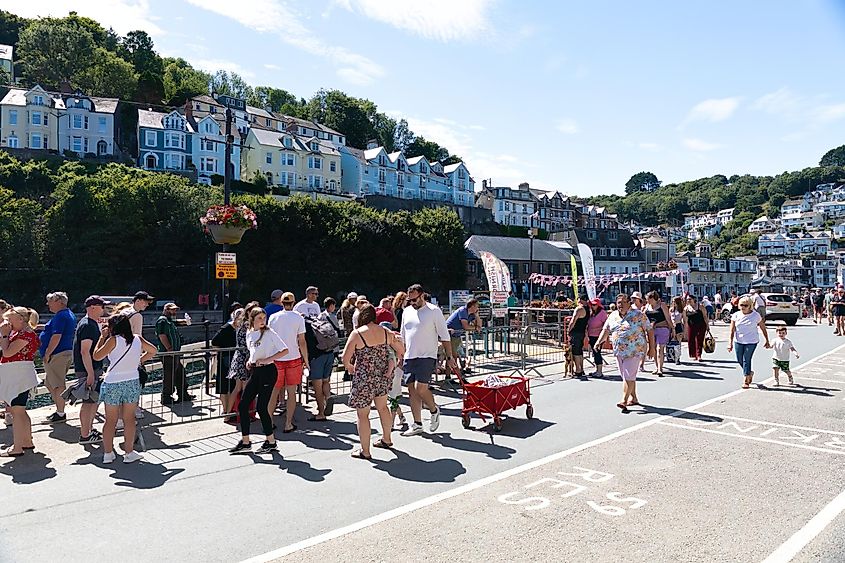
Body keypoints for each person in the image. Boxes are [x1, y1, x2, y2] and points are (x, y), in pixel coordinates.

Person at [341, 305, 405, 460]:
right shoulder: (385, 332)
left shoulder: (357, 334)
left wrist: (351, 368)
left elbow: (345, 358)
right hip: (382, 376)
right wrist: (393, 359)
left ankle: (365, 451)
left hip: (364, 379)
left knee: (363, 415)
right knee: (383, 408)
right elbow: (401, 350)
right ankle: (387, 439)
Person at [92, 313, 157, 463]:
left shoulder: (113, 340)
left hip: (113, 382)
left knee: (110, 420)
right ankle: (129, 452)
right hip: (132, 381)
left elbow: (96, 356)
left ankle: (108, 453)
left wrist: (102, 338)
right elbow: (153, 350)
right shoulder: (137, 339)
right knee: (129, 419)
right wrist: (139, 361)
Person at [229, 307, 289, 455]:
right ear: (252, 319)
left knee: (262, 407)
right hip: (255, 372)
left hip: (268, 371)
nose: (263, 321)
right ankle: (245, 441)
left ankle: (271, 441)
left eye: (264, 318)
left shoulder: (269, 333)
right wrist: (250, 361)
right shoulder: (250, 333)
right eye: (259, 318)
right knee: (243, 405)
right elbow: (253, 352)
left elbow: (284, 350)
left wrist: (267, 359)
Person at [400, 284, 454, 437]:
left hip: (427, 355)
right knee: (411, 391)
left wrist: (449, 357)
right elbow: (403, 335)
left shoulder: (434, 311)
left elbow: (444, 335)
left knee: (420, 388)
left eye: (414, 299)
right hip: (410, 355)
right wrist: (400, 354)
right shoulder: (406, 311)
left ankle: (434, 409)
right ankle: (417, 424)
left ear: (422, 295)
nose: (412, 303)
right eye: (409, 300)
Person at [596, 294, 654, 413]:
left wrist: (651, 348)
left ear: (629, 303)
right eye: (618, 303)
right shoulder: (613, 315)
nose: (620, 305)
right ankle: (634, 398)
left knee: (628, 375)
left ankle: (624, 399)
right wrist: (598, 342)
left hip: (634, 350)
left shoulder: (638, 315)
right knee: (626, 376)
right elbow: (606, 330)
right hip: (619, 351)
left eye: (623, 302)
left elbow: (649, 330)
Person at [0, 306, 40, 457]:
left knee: (17, 411)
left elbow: (8, 352)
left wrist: (4, 335)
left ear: (20, 319)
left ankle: (17, 447)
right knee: (21, 411)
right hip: (18, 374)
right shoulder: (21, 333)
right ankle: (27, 441)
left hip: (18, 375)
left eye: (10, 320)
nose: (7, 323)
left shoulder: (25, 335)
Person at [267, 292, 308, 432]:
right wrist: (306, 360)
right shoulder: (298, 318)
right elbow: (302, 342)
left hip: (277, 358)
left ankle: (269, 422)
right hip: (294, 358)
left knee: (274, 392)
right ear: (293, 302)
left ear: (282, 302)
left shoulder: (273, 317)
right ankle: (288, 423)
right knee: (292, 393)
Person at [72, 296, 110, 445]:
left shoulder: (88, 323)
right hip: (89, 369)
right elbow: (84, 351)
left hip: (92, 368)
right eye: (102, 306)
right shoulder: (88, 325)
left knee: (93, 401)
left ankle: (88, 429)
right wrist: (90, 373)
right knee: (89, 402)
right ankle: (85, 434)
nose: (104, 309)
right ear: (93, 307)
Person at [40, 291, 76, 424]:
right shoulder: (66, 314)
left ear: (59, 302)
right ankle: (59, 409)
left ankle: (60, 412)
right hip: (62, 352)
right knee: (49, 383)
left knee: (58, 384)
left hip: (57, 354)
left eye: (50, 301)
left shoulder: (61, 316)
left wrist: (48, 353)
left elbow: (56, 336)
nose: (48, 303)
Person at [304, 300, 340, 421]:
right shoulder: (319, 321)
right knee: (326, 381)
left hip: (317, 357)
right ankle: (328, 397)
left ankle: (320, 413)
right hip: (329, 353)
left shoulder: (305, 327)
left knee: (317, 386)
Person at [727, 295, 771, 389]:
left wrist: (767, 340)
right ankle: (749, 372)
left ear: (750, 305)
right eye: (741, 305)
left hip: (751, 341)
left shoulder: (755, 315)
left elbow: (763, 328)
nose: (743, 307)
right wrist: (730, 343)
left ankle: (746, 379)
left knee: (746, 359)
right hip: (738, 340)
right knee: (739, 359)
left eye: (746, 305)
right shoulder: (736, 315)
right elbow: (732, 330)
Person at [156, 303, 192, 405]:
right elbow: (162, 335)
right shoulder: (162, 321)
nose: (174, 312)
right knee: (169, 375)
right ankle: (166, 397)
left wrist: (186, 321)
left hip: (175, 352)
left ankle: (183, 393)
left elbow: (177, 322)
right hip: (168, 353)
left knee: (179, 372)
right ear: (166, 310)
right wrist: (169, 348)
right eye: (172, 310)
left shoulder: (169, 321)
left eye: (175, 310)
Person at [211, 304, 241, 418]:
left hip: (233, 359)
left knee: (232, 386)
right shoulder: (226, 328)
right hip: (225, 360)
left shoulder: (238, 329)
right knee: (224, 387)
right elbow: (214, 342)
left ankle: (230, 410)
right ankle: (226, 411)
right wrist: (222, 352)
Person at [446, 298, 480, 376]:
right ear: (472, 306)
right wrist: (475, 328)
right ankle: (460, 378)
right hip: (449, 335)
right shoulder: (462, 311)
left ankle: (448, 377)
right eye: (477, 306)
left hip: (456, 335)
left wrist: (477, 316)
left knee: (452, 357)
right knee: (452, 357)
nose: (478, 308)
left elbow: (479, 326)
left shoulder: (471, 314)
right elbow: (466, 326)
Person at [644, 291, 675, 377]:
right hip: (651, 330)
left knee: (659, 348)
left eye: (649, 299)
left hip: (662, 329)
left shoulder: (662, 305)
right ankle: (657, 367)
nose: (647, 301)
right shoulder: (646, 307)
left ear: (654, 298)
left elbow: (668, 318)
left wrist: (673, 329)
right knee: (653, 349)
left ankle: (660, 369)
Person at [567, 295, 591, 378]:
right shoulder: (588, 309)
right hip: (582, 332)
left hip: (576, 332)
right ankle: (581, 368)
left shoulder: (579, 309)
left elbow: (573, 321)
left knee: (575, 351)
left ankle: (578, 369)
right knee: (580, 351)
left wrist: (568, 330)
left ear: (580, 300)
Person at [586, 298, 608, 377]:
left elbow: (606, 325)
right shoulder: (592, 313)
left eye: (594, 305)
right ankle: (597, 370)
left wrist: (604, 335)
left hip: (598, 336)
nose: (592, 306)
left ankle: (599, 371)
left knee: (597, 352)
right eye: (592, 305)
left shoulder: (602, 313)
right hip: (591, 335)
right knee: (595, 353)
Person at [684, 294, 709, 362]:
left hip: (701, 325)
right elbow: (685, 319)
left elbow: (705, 316)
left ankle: (699, 355)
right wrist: (685, 329)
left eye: (690, 299)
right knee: (691, 340)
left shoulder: (700, 306)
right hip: (691, 326)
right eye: (687, 299)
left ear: (694, 300)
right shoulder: (686, 308)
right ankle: (693, 354)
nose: (688, 300)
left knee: (699, 340)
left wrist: (707, 326)